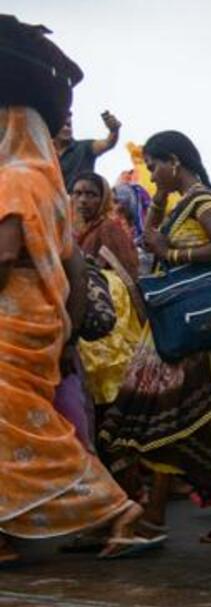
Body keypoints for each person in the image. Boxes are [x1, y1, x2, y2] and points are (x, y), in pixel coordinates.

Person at [0, 31, 146, 562]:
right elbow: (69, 260)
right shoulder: (49, 183)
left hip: (10, 323)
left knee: (23, 431)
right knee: (19, 429)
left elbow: (3, 253)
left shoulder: (14, 181)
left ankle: (114, 507)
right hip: (41, 320)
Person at [96, 131, 211, 551]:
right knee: (180, 419)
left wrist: (174, 255)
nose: (151, 173)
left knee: (190, 417)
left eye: (154, 165)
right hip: (180, 329)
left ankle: (185, 517)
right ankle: (171, 517)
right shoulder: (179, 203)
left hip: (199, 329)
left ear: (173, 160)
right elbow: (150, 242)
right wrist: (160, 214)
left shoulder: (204, 200)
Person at [68, 172, 143, 412]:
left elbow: (127, 271)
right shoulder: (71, 230)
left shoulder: (109, 228)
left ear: (103, 199)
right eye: (77, 193)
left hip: (109, 316)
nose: (82, 200)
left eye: (91, 194)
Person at [52, 108, 119, 188]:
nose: (66, 128)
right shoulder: (44, 153)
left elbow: (108, 143)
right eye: (62, 125)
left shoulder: (84, 147)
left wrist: (114, 130)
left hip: (79, 199)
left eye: (68, 125)